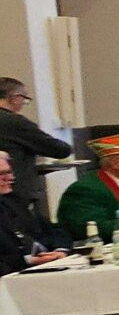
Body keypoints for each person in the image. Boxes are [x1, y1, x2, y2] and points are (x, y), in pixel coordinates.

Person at [0, 75, 72, 222]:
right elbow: (59, 149)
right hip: (15, 190)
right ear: (14, 97)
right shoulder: (14, 122)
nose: (23, 103)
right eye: (24, 99)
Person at [0, 151, 72, 273]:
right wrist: (27, 261)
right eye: (1, 174)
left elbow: (55, 231)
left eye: (9, 172)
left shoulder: (15, 200)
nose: (11, 178)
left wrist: (60, 250)